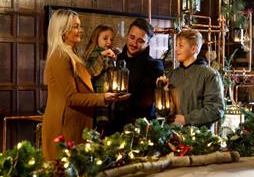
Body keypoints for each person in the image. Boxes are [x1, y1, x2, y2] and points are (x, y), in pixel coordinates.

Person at [42, 9, 129, 161]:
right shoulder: (60, 56)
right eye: (75, 26)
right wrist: (103, 98)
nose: (80, 30)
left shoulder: (72, 55)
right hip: (64, 129)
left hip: (76, 127)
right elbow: (71, 98)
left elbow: (89, 76)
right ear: (63, 30)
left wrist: (103, 57)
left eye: (79, 26)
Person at [158, 29, 225, 127]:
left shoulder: (210, 75)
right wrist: (162, 92)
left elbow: (216, 109)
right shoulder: (172, 75)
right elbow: (164, 111)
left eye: (180, 46)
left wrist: (186, 119)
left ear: (193, 49)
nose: (176, 49)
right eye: (176, 45)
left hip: (199, 137)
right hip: (173, 136)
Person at [112, 18, 164, 133]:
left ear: (148, 43)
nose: (134, 43)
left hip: (140, 130)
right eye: (132, 37)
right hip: (113, 126)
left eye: (140, 41)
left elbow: (149, 101)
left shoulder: (154, 66)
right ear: (127, 35)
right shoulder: (115, 59)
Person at [83, 25, 117, 136]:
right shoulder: (94, 54)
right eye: (105, 38)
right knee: (100, 123)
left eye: (111, 39)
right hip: (98, 94)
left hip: (110, 94)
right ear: (96, 38)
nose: (109, 42)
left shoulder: (110, 55)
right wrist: (102, 56)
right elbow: (92, 72)